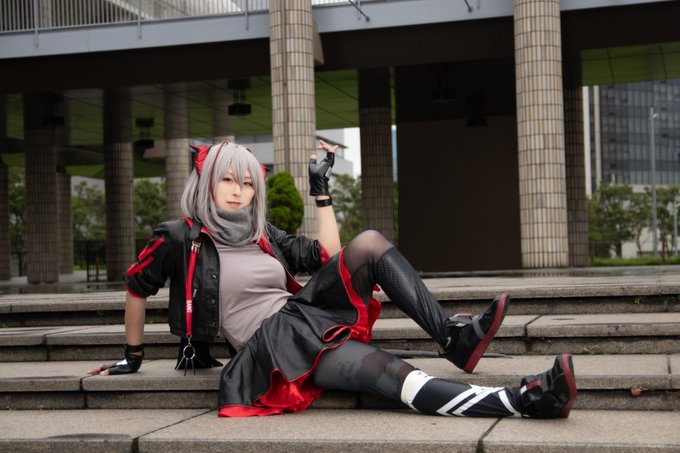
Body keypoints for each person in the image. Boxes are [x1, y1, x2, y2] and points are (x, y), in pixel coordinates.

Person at [88, 140, 577, 419]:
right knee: (391, 373)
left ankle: (452, 337)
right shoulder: (180, 237)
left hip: (304, 315)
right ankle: (524, 401)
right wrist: (132, 358)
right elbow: (136, 286)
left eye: (247, 183)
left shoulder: (263, 235)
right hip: (271, 345)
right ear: (207, 181)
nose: (238, 191)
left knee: (368, 244)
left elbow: (325, 255)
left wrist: (320, 191)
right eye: (227, 179)